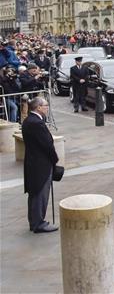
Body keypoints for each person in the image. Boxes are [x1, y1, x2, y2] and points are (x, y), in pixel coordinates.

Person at [22, 96, 59, 232]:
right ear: (38, 107)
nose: (47, 108)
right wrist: (55, 159)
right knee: (40, 194)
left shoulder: (29, 120)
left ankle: (34, 221)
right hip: (40, 164)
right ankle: (38, 223)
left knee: (35, 194)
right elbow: (47, 144)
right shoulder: (36, 123)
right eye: (45, 105)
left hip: (34, 162)